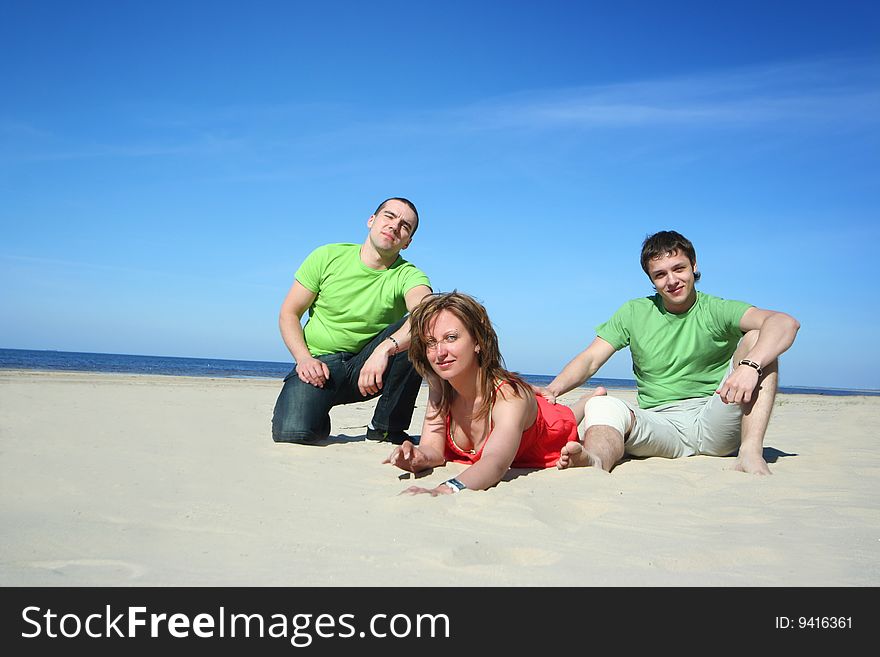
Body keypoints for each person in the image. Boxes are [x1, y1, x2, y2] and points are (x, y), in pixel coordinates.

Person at [542, 230, 800, 475]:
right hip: (660, 425)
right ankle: (594, 461)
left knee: (758, 337)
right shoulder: (634, 312)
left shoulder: (716, 309)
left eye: (679, 268)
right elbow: (590, 359)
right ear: (651, 280)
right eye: (661, 274)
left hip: (717, 418)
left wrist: (750, 366)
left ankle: (750, 452)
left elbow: (784, 323)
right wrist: (553, 390)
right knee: (601, 404)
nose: (672, 280)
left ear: (694, 266)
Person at [383, 291, 602, 495]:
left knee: (566, 418)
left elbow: (495, 462)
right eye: (431, 343)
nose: (439, 352)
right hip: (517, 412)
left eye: (451, 338)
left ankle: (589, 399)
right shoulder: (440, 386)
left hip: (546, 429)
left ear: (477, 341)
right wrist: (417, 457)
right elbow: (434, 449)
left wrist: (445, 489)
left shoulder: (508, 397)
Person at [271, 197, 432, 445]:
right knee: (294, 433)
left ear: (407, 242)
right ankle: (316, 408)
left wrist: (385, 348)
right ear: (371, 220)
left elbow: (426, 313)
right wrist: (303, 358)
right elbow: (289, 313)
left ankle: (386, 428)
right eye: (389, 216)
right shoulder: (327, 256)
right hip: (320, 365)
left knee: (420, 324)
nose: (394, 226)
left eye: (405, 226)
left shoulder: (408, 275)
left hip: (369, 368)